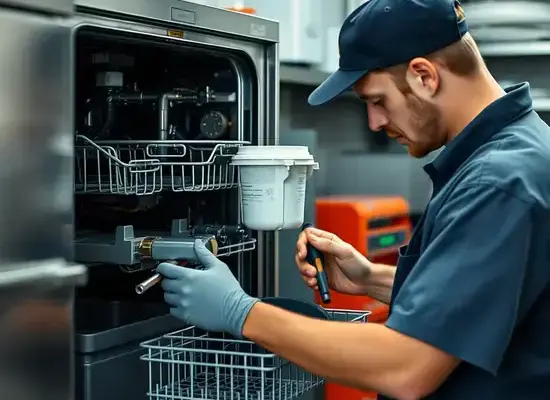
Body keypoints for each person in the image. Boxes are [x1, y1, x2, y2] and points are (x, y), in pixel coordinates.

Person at [156, 0, 550, 399]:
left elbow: (407, 367)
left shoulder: (497, 181)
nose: (376, 123)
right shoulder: (514, 154)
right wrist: (368, 278)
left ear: (424, 76)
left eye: (377, 101)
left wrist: (240, 312)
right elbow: (481, 300)